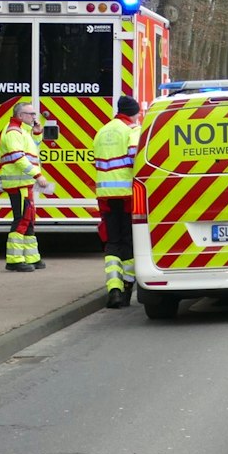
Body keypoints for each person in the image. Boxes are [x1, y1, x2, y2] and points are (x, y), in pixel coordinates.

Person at [92, 95, 144, 307]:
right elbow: (135, 159)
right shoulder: (132, 130)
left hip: (105, 194)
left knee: (112, 241)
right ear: (134, 113)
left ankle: (113, 289)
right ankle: (127, 289)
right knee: (128, 241)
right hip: (127, 194)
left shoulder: (102, 131)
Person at [0, 100, 49, 272]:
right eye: (31, 113)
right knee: (21, 220)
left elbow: (32, 149)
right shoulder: (13, 132)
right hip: (18, 183)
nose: (34, 116)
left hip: (24, 183)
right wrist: (37, 175)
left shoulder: (21, 130)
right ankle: (14, 260)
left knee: (28, 220)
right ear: (20, 115)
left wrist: (37, 133)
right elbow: (18, 158)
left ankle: (32, 257)